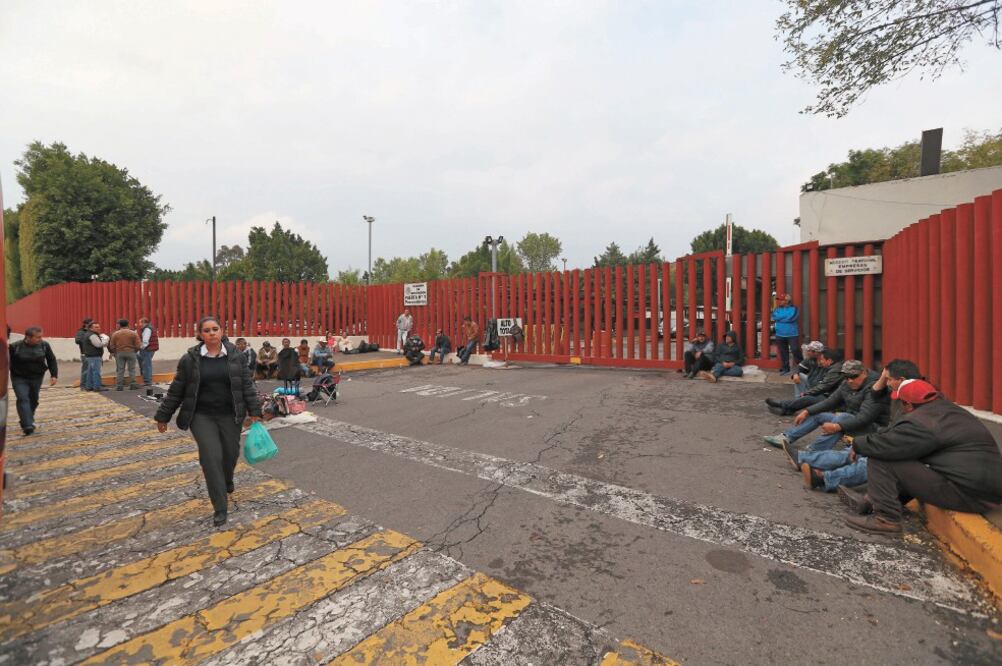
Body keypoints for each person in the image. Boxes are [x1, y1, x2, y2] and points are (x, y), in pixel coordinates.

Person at [841, 380, 1002, 535]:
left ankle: (886, 519)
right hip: (985, 491)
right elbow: (900, 442)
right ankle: (874, 501)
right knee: (905, 454)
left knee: (880, 456)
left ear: (908, 405)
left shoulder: (923, 422)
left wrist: (858, 444)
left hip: (971, 496)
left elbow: (886, 445)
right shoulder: (951, 411)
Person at [154, 316, 262, 527]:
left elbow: (246, 385)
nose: (212, 333)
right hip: (201, 416)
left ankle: (227, 479)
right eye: (207, 330)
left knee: (230, 454)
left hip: (231, 415)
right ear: (200, 334)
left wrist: (255, 410)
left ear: (222, 331)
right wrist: (163, 415)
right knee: (211, 457)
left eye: (215, 329)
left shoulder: (236, 357)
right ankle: (220, 507)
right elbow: (177, 389)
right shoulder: (190, 360)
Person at [796, 359, 924, 493]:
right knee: (853, 450)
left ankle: (824, 477)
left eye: (889, 379)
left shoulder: (917, 401)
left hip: (905, 450)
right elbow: (874, 396)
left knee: (868, 460)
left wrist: (859, 440)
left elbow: (867, 419)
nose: (887, 383)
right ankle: (806, 459)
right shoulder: (900, 395)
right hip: (888, 437)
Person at [764, 359, 888, 454]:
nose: (849, 380)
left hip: (875, 428)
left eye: (853, 376)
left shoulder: (875, 388)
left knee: (842, 418)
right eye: (846, 377)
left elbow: (864, 418)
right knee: (819, 415)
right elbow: (830, 401)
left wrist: (836, 426)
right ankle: (786, 437)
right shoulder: (846, 383)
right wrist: (807, 411)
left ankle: (813, 452)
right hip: (853, 418)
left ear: (864, 373)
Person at [9, 326, 58, 435]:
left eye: (41, 336)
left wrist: (54, 375)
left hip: (36, 377)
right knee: (23, 398)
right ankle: (28, 425)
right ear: (28, 337)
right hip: (19, 377)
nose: (40, 339)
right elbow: (5, 361)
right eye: (37, 337)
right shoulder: (15, 347)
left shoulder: (44, 345)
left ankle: (26, 419)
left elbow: (51, 359)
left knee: (33, 399)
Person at [765, 348, 845, 416]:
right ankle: (788, 410)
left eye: (822, 359)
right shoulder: (829, 366)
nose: (821, 361)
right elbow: (798, 368)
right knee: (802, 382)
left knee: (808, 398)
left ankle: (783, 405)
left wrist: (807, 393)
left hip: (832, 398)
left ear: (829, 361)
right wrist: (796, 374)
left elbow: (824, 386)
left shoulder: (835, 370)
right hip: (823, 391)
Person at [771, 293, 802, 375]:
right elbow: (774, 317)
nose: (779, 301)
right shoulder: (777, 309)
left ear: (787, 301)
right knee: (783, 352)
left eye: (781, 300)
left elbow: (792, 318)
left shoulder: (795, 308)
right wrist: (784, 317)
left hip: (792, 334)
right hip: (780, 334)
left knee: (795, 350)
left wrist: (780, 318)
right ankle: (785, 368)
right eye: (779, 300)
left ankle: (802, 367)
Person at [108, 318, 142, 391]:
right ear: (128, 324)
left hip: (119, 353)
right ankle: (133, 384)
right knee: (132, 369)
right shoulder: (133, 333)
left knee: (120, 370)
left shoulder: (115, 334)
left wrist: (115, 352)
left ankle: (119, 386)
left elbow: (112, 345)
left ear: (120, 325)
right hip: (131, 352)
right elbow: (138, 345)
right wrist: (135, 351)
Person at [81, 322, 109, 392]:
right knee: (96, 372)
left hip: (90, 356)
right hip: (94, 356)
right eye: (96, 327)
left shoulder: (88, 334)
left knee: (90, 372)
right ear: (90, 328)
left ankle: (89, 386)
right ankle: (97, 387)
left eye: (99, 327)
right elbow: (98, 344)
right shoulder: (92, 335)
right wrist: (106, 340)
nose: (98, 328)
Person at [137, 317, 159, 387]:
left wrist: (141, 348)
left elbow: (145, 341)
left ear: (144, 323)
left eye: (140, 322)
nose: (139, 324)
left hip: (147, 349)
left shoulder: (147, 329)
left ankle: (147, 381)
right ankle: (147, 380)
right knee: (146, 364)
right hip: (150, 349)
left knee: (146, 365)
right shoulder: (150, 328)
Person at [74, 318, 93, 391]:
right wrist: (88, 340)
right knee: (85, 370)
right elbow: (77, 340)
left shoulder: (92, 331)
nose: (93, 325)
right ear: (86, 324)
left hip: (93, 353)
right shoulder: (81, 332)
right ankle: (83, 385)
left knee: (92, 370)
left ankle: (91, 384)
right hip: (85, 354)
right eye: (91, 323)